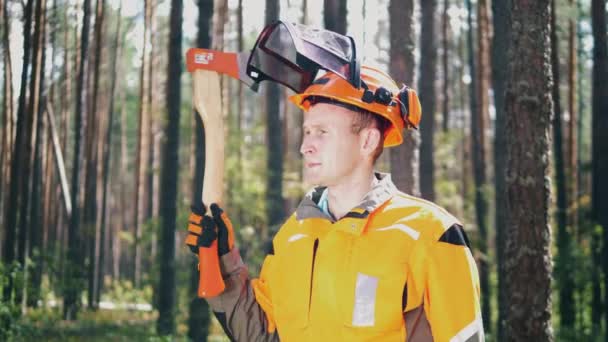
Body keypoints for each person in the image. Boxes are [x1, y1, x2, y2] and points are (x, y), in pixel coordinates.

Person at [186, 66, 484, 341]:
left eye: (322, 132)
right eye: (306, 132)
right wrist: (223, 261)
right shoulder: (292, 236)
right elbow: (263, 334)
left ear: (367, 141)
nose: (305, 146)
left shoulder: (432, 234)